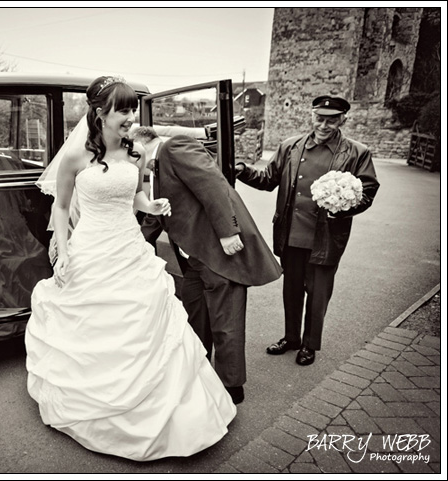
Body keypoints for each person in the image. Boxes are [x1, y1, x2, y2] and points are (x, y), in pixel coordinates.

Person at [24, 76, 237, 462]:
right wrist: (65, 249)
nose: (130, 117)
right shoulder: (74, 157)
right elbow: (60, 206)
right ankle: (96, 403)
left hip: (128, 247)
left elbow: (135, 196)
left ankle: (169, 408)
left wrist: (151, 206)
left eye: (132, 109)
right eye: (123, 110)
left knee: (149, 320)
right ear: (100, 112)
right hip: (91, 248)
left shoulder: (135, 152)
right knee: (93, 326)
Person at [133, 126, 282, 405]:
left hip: (218, 249)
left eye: (131, 148)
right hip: (193, 257)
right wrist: (134, 246)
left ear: (142, 142)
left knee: (226, 321)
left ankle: (231, 388)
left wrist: (228, 232)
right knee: (194, 317)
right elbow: (158, 213)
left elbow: (213, 184)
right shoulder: (152, 170)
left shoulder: (175, 147)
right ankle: (200, 374)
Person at [235, 95, 380, 366]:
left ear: (343, 119)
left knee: (318, 293)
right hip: (291, 233)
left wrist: (345, 205)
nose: (324, 125)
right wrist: (243, 171)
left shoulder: (357, 152)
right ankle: (291, 338)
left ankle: (310, 344)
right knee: (291, 290)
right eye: (319, 118)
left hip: (325, 236)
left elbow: (368, 190)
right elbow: (268, 180)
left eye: (332, 119)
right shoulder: (290, 146)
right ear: (311, 115)